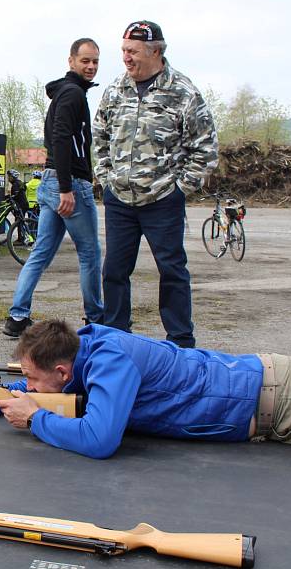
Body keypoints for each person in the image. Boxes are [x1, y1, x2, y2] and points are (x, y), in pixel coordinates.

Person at [0, 319, 291, 459]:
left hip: (285, 396)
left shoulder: (111, 361)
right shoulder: (80, 355)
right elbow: (23, 388)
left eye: (35, 379)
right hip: (268, 397)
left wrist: (36, 418)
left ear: (61, 371)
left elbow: (100, 440)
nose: (29, 386)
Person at [93, 21, 217, 348]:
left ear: (156, 51)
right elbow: (99, 139)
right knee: (114, 273)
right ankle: (115, 340)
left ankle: (180, 342)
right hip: (120, 199)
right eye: (123, 50)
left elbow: (205, 148)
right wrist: (106, 178)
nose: (125, 58)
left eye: (132, 52)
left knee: (172, 271)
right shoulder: (115, 90)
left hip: (163, 200)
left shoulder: (184, 92)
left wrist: (180, 189)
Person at [3, 39, 103, 338]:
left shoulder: (65, 93)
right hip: (67, 182)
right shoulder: (72, 94)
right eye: (85, 60)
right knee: (90, 254)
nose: (91, 66)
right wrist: (66, 188)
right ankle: (96, 319)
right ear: (71, 61)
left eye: (95, 61)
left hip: (52, 180)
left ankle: (17, 317)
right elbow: (60, 139)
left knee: (41, 252)